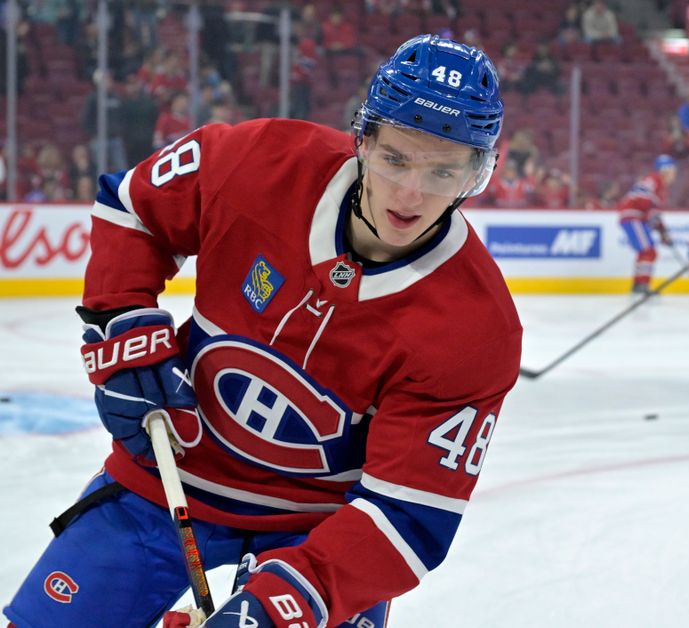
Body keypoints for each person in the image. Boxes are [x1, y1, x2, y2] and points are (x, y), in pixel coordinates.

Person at [2, 34, 522, 628]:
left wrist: (294, 599)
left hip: (321, 527)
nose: (410, 194)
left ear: (477, 173)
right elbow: (133, 207)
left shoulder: (477, 329)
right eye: (395, 158)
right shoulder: (260, 161)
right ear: (364, 138)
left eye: (443, 171)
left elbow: (408, 514)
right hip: (172, 469)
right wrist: (121, 327)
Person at [618, 154, 678, 294]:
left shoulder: (657, 183)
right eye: (672, 170)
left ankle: (639, 284)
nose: (674, 174)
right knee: (648, 250)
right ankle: (641, 285)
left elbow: (652, 211)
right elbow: (646, 205)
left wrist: (662, 230)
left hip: (635, 217)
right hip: (633, 217)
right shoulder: (654, 181)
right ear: (665, 170)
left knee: (646, 251)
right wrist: (662, 231)